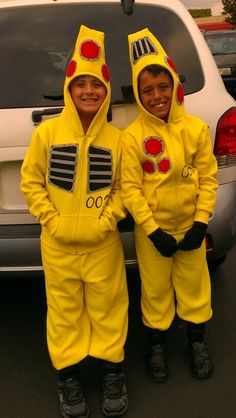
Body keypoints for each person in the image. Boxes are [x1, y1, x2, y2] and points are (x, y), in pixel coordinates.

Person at [21, 25, 129, 418]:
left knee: (109, 307)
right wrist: (51, 220)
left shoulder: (118, 139)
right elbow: (30, 182)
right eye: (80, 83)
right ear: (68, 88)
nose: (88, 90)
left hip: (103, 244)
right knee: (64, 311)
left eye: (96, 84)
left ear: (106, 90)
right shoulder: (47, 133)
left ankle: (112, 371)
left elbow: (123, 189)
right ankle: (67, 376)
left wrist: (106, 221)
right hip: (58, 244)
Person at [121, 28, 218, 383]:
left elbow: (208, 178)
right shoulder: (132, 137)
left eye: (164, 87)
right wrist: (151, 230)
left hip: (190, 227)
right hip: (153, 234)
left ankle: (197, 341)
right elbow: (130, 189)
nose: (157, 96)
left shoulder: (195, 129)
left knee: (195, 286)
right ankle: (156, 345)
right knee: (156, 289)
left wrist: (202, 221)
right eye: (148, 90)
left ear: (174, 86)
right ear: (138, 93)